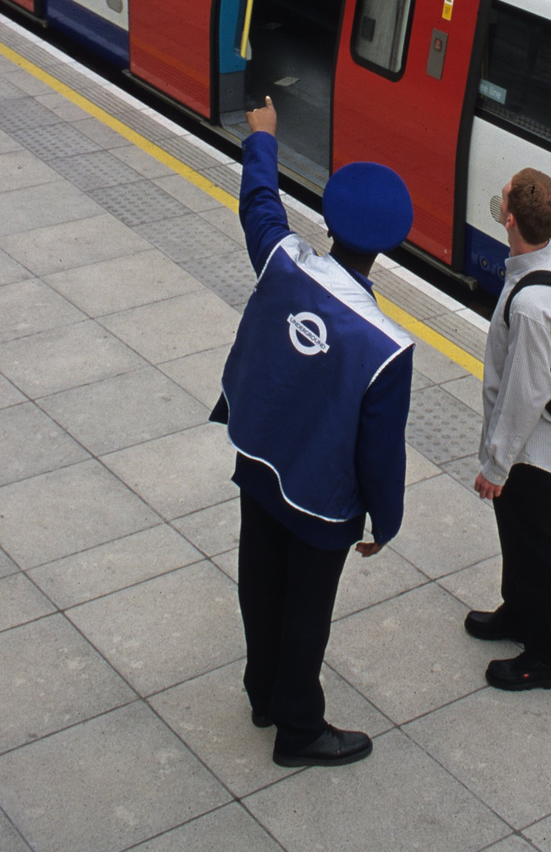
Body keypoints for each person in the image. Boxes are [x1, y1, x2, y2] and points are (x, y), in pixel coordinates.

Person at [211, 96, 414, 768]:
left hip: (259, 454)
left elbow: (259, 203)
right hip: (321, 499)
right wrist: (385, 519)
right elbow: (379, 450)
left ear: (329, 221)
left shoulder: (283, 260)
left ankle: (261, 693)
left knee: (258, 581)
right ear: (387, 246)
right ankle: (298, 727)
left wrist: (263, 137)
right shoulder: (387, 344)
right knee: (306, 612)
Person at [466, 167, 551, 691]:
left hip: (529, 452)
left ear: (508, 219)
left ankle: (549, 658)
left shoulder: (534, 305)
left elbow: (525, 394)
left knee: (536, 548)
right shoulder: (540, 263)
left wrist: (496, 464)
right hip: (524, 447)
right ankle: (517, 614)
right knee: (517, 537)